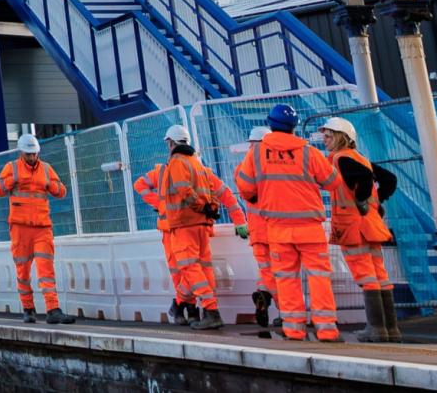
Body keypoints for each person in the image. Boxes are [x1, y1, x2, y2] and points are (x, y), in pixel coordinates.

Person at [236, 102, 341, 342]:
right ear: (294, 127)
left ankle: (294, 330)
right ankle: (327, 330)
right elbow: (332, 182)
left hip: (278, 229)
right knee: (319, 278)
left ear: (270, 125)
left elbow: (245, 187)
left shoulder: (256, 154)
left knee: (286, 280)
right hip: (310, 229)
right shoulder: (309, 152)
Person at [134, 122, 245, 330]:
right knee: (196, 270)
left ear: (171, 143)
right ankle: (188, 309)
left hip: (181, 226)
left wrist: (197, 207)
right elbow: (224, 194)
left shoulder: (175, 165)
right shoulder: (198, 168)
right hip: (192, 225)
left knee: (187, 270)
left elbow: (185, 191)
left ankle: (192, 308)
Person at [317, 116, 400, 342]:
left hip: (353, 225)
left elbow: (363, 179)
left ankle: (376, 330)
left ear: (341, 138)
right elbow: (389, 179)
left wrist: (362, 198)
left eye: (328, 136)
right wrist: (376, 201)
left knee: (365, 275)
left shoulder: (340, 159)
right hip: (371, 223)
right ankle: (390, 330)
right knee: (379, 274)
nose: (325, 140)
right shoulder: (359, 158)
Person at [0, 132, 75, 325]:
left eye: (34, 154)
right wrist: (10, 181)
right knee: (23, 271)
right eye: (28, 154)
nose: (32, 157)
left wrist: (50, 185)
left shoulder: (46, 169)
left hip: (42, 228)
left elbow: (62, 191)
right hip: (20, 229)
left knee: (47, 270)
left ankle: (53, 310)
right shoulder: (11, 168)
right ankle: (28, 309)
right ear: (21, 153)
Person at [239, 125, 279, 338]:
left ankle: (264, 294)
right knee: (282, 272)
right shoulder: (276, 165)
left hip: (256, 231)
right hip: (276, 227)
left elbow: (245, 190)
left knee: (266, 270)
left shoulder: (243, 168)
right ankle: (284, 311)